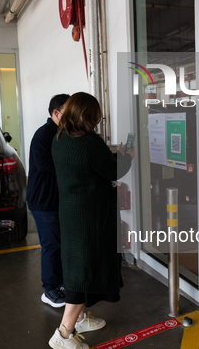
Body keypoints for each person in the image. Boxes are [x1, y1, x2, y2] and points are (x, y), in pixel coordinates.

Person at [48, 92, 134, 349]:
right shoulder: (89, 143)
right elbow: (114, 170)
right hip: (90, 219)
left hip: (72, 214)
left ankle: (81, 320)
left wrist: (112, 155)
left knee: (78, 267)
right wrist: (127, 155)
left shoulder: (59, 139)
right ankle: (62, 335)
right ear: (90, 115)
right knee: (82, 273)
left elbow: (88, 167)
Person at [27, 94, 70, 308]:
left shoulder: (62, 133)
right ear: (56, 113)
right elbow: (44, 165)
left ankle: (59, 283)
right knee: (52, 245)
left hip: (56, 200)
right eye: (69, 113)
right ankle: (49, 289)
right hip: (43, 201)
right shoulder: (44, 135)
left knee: (59, 244)